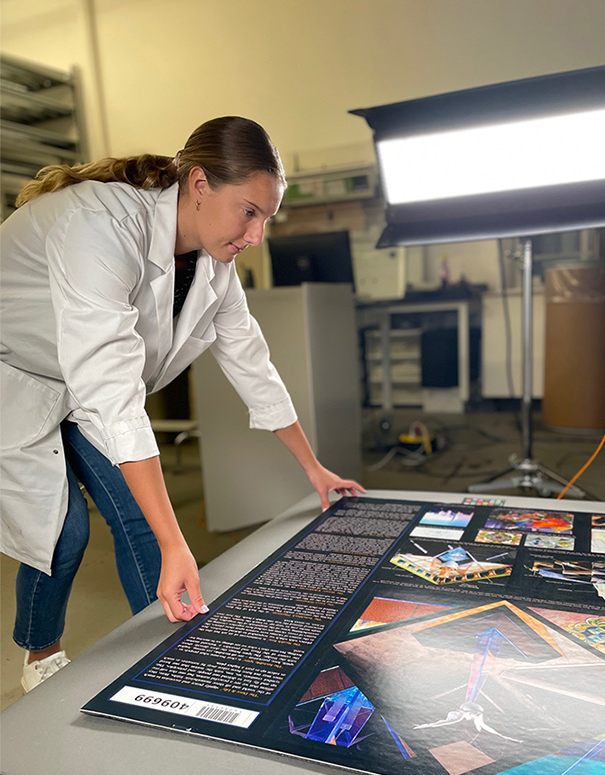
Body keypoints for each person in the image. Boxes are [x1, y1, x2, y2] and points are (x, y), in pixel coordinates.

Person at [0, 116, 364, 692]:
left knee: (146, 524)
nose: (256, 236)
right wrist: (178, 542)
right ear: (199, 184)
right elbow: (112, 389)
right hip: (17, 375)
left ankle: (178, 657)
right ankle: (41, 655)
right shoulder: (97, 224)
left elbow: (253, 364)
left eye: (265, 218)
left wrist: (313, 469)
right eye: (249, 211)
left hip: (86, 386)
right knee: (63, 533)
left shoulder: (213, 266)